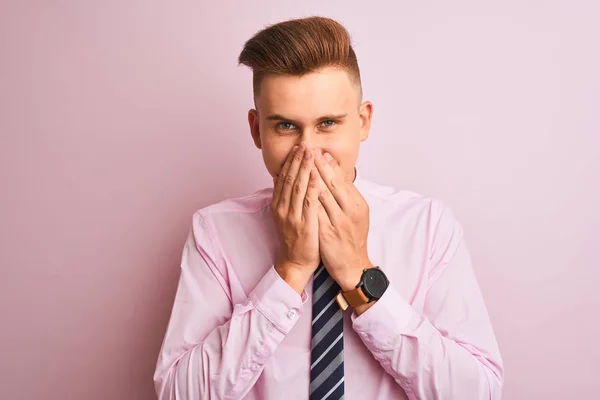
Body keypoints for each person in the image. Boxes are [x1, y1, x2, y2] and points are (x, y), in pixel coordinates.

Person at [153, 16, 504, 400]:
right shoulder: (214, 232)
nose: (308, 150)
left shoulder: (428, 227)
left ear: (363, 121)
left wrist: (360, 274)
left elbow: (478, 392)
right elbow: (178, 394)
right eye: (286, 126)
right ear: (257, 131)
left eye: (328, 123)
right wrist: (290, 272)